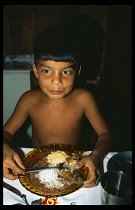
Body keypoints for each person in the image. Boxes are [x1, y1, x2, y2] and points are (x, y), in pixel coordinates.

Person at [3, 28, 112, 188]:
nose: (56, 81)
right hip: (38, 167)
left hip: (73, 166)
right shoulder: (28, 100)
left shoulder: (84, 98)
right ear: (36, 71)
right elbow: (6, 133)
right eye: (47, 71)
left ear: (77, 72)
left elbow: (105, 135)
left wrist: (95, 156)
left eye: (66, 72)